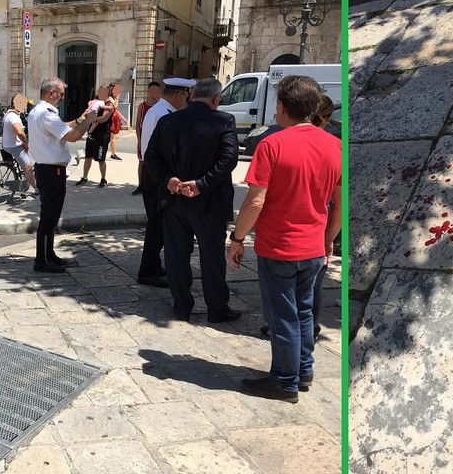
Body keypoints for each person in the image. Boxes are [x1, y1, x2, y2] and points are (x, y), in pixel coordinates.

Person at [227, 75, 341, 404]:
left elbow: (256, 201)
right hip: (313, 248)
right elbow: (340, 202)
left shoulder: (272, 144)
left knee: (283, 318)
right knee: (304, 313)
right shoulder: (334, 144)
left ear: (282, 106)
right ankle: (303, 370)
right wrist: (329, 240)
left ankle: (284, 381)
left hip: (280, 248)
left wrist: (237, 238)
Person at [144, 78, 240, 322]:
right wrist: (201, 184)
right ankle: (217, 308)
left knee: (176, 255)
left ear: (191, 96)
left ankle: (181, 305)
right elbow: (229, 160)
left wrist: (169, 180)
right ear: (216, 99)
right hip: (209, 202)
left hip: (175, 200)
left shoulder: (168, 121)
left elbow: (150, 157)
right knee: (212, 256)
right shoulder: (223, 120)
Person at [28, 76, 97, 273]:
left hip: (46, 169)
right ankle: (42, 260)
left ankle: (48, 255)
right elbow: (73, 136)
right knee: (49, 216)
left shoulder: (38, 111)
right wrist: (89, 121)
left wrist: (79, 120)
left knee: (50, 215)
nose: (62, 98)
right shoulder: (48, 113)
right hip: (51, 171)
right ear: (51, 93)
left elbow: (61, 128)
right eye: (61, 94)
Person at [136, 77, 194, 288]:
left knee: (158, 225)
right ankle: (148, 272)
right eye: (186, 96)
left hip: (155, 175)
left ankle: (153, 266)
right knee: (156, 226)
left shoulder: (163, 111)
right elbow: (159, 153)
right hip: (156, 176)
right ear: (179, 95)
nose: (186, 101)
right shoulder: (162, 114)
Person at [75, 85, 114, 188]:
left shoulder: (109, 103)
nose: (98, 93)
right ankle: (84, 177)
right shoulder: (96, 102)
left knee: (101, 159)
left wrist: (92, 120)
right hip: (92, 133)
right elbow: (88, 111)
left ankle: (103, 179)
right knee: (88, 156)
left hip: (102, 134)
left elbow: (104, 118)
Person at [2, 92, 38, 193]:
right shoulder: (13, 116)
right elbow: (19, 132)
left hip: (8, 144)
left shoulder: (8, 114)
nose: (25, 106)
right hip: (13, 146)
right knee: (28, 167)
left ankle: (23, 184)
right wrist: (26, 144)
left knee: (26, 162)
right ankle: (37, 190)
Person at [132, 81, 161, 196]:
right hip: (144, 139)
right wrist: (139, 140)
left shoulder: (161, 106)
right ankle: (140, 185)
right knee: (142, 162)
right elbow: (138, 124)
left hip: (157, 139)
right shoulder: (142, 106)